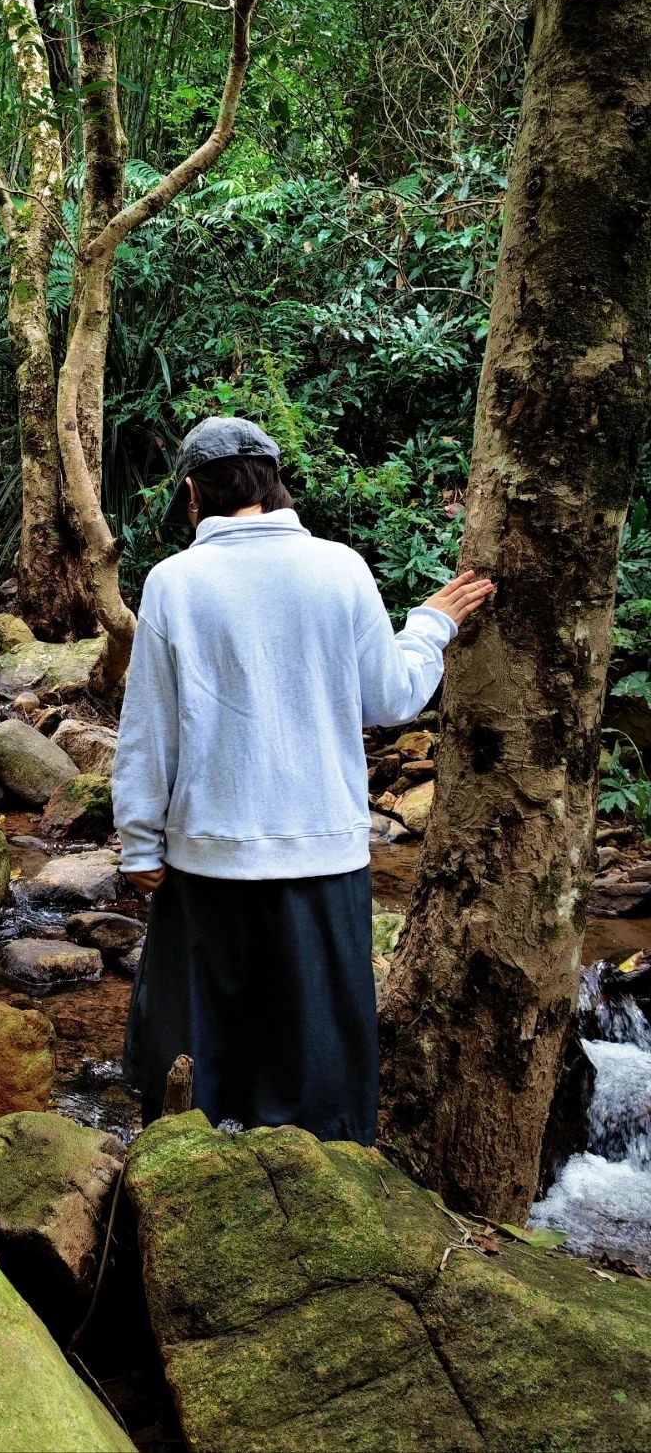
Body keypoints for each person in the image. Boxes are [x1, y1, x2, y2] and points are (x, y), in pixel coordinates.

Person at [114, 415, 492, 1139]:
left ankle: (190, 1216)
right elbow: (390, 696)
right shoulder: (340, 566)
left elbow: (148, 730)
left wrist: (139, 846)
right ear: (275, 482)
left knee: (195, 1078)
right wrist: (431, 624)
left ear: (193, 494)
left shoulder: (174, 582)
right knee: (318, 1083)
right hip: (325, 862)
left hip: (207, 864)